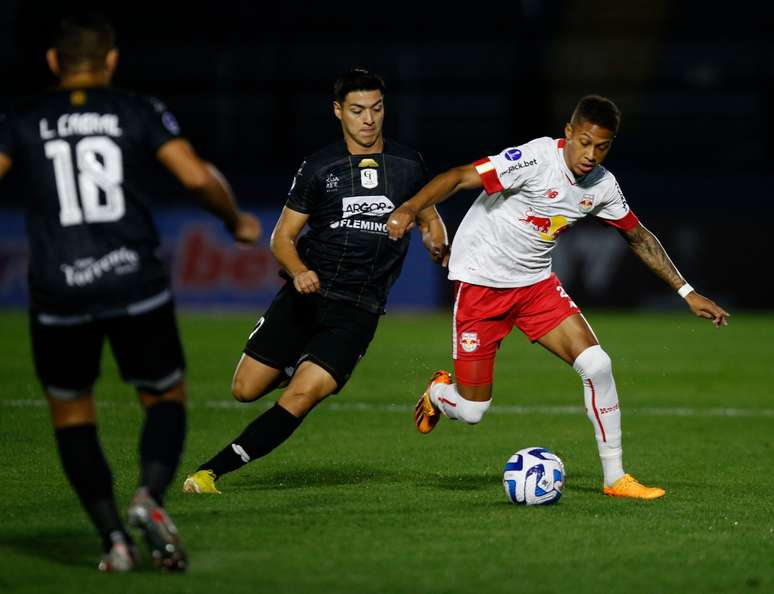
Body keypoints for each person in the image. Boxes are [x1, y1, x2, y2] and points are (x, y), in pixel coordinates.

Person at [0, 14, 261, 571]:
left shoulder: (22, 117)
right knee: (163, 397)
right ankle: (148, 496)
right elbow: (193, 177)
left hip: (57, 291)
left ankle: (113, 541)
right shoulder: (135, 109)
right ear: (111, 61)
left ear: (53, 62)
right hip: (133, 281)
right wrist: (234, 220)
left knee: (72, 415)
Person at [386, 94, 729, 500]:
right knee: (473, 410)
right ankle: (439, 393)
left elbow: (637, 236)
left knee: (598, 365)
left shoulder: (602, 186)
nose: (590, 154)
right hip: (481, 284)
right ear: (568, 132)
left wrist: (686, 292)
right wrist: (409, 209)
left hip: (534, 287)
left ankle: (615, 478)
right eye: (584, 142)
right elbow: (461, 176)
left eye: (601, 146)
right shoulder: (533, 159)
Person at [182, 68, 449, 495]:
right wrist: (299, 270)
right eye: (358, 110)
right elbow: (281, 238)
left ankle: (210, 472)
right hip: (308, 294)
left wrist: (437, 244)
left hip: (359, 308)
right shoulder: (319, 166)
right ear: (338, 111)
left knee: (301, 396)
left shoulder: (407, 164)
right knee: (244, 389)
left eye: (377, 109)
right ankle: (296, 361)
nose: (369, 119)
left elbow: (430, 218)